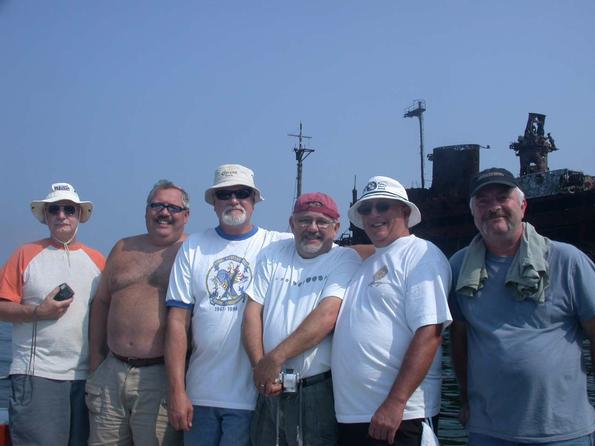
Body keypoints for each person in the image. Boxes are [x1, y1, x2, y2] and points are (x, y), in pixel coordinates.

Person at [449, 168, 595, 446]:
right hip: (487, 431)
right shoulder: (459, 267)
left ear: (523, 205)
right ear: (473, 213)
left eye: (503, 197)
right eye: (483, 201)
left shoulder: (567, 261)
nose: (494, 208)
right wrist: (465, 399)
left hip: (563, 432)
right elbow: (460, 337)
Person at [165, 164, 291, 446]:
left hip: (252, 400)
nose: (234, 200)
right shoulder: (193, 247)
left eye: (242, 193)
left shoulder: (278, 245)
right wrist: (177, 391)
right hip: (199, 397)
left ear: (254, 200)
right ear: (213, 203)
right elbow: (176, 322)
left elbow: (331, 248)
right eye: (225, 194)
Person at [331, 175, 452, 446]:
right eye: (365, 209)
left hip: (400, 418)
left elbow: (430, 332)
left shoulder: (421, 255)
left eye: (383, 206)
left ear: (405, 212)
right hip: (353, 417)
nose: (374, 214)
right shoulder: (365, 263)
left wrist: (395, 403)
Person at [243, 192, 362, 446]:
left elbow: (327, 316)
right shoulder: (272, 253)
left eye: (322, 222)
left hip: (315, 392)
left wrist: (274, 358)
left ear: (336, 227)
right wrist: (259, 367)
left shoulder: (345, 259)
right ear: (292, 223)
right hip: (268, 386)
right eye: (305, 220)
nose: (313, 228)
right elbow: (253, 312)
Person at [0, 182, 105, 445]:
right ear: (45, 215)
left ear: (79, 215)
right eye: (54, 209)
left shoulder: (99, 261)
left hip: (86, 378)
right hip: (37, 376)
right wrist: (38, 312)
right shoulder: (24, 254)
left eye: (69, 209)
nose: (61, 215)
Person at [87, 179, 189, 446]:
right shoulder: (122, 248)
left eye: (172, 207)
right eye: (157, 205)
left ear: (186, 216)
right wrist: (96, 362)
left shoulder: (191, 253)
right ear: (146, 211)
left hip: (159, 376)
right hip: (111, 371)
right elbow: (100, 304)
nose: (164, 212)